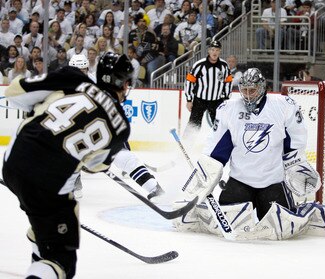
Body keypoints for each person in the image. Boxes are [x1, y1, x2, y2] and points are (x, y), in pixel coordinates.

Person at [2, 52, 134, 278]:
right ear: (122, 83)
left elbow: (14, 93)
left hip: (14, 161)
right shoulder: (121, 127)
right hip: (48, 184)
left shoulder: (73, 78)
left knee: (42, 223)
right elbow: (94, 166)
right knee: (61, 261)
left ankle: (40, 246)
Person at [174, 68, 325, 240]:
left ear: (262, 88)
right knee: (228, 221)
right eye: (244, 90)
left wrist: (295, 165)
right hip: (240, 181)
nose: (248, 95)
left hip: (272, 182)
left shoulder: (283, 106)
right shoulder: (229, 109)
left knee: (282, 228)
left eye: (252, 90)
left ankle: (311, 211)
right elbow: (217, 150)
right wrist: (206, 175)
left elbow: (295, 140)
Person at [68, 53, 164, 200]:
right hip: (77, 136)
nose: (81, 74)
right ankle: (72, 183)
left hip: (101, 131)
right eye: (77, 70)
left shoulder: (97, 82)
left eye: (84, 70)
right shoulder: (62, 87)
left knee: (126, 158)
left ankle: (153, 187)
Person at [183, 40, 232, 137]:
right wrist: (189, 99)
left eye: (217, 50)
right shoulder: (199, 65)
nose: (214, 52)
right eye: (212, 50)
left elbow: (228, 82)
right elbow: (189, 81)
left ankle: (220, 146)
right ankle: (186, 144)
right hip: (199, 100)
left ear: (220, 51)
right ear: (209, 51)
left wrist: (226, 99)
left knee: (219, 125)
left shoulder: (224, 65)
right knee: (194, 124)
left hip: (216, 101)